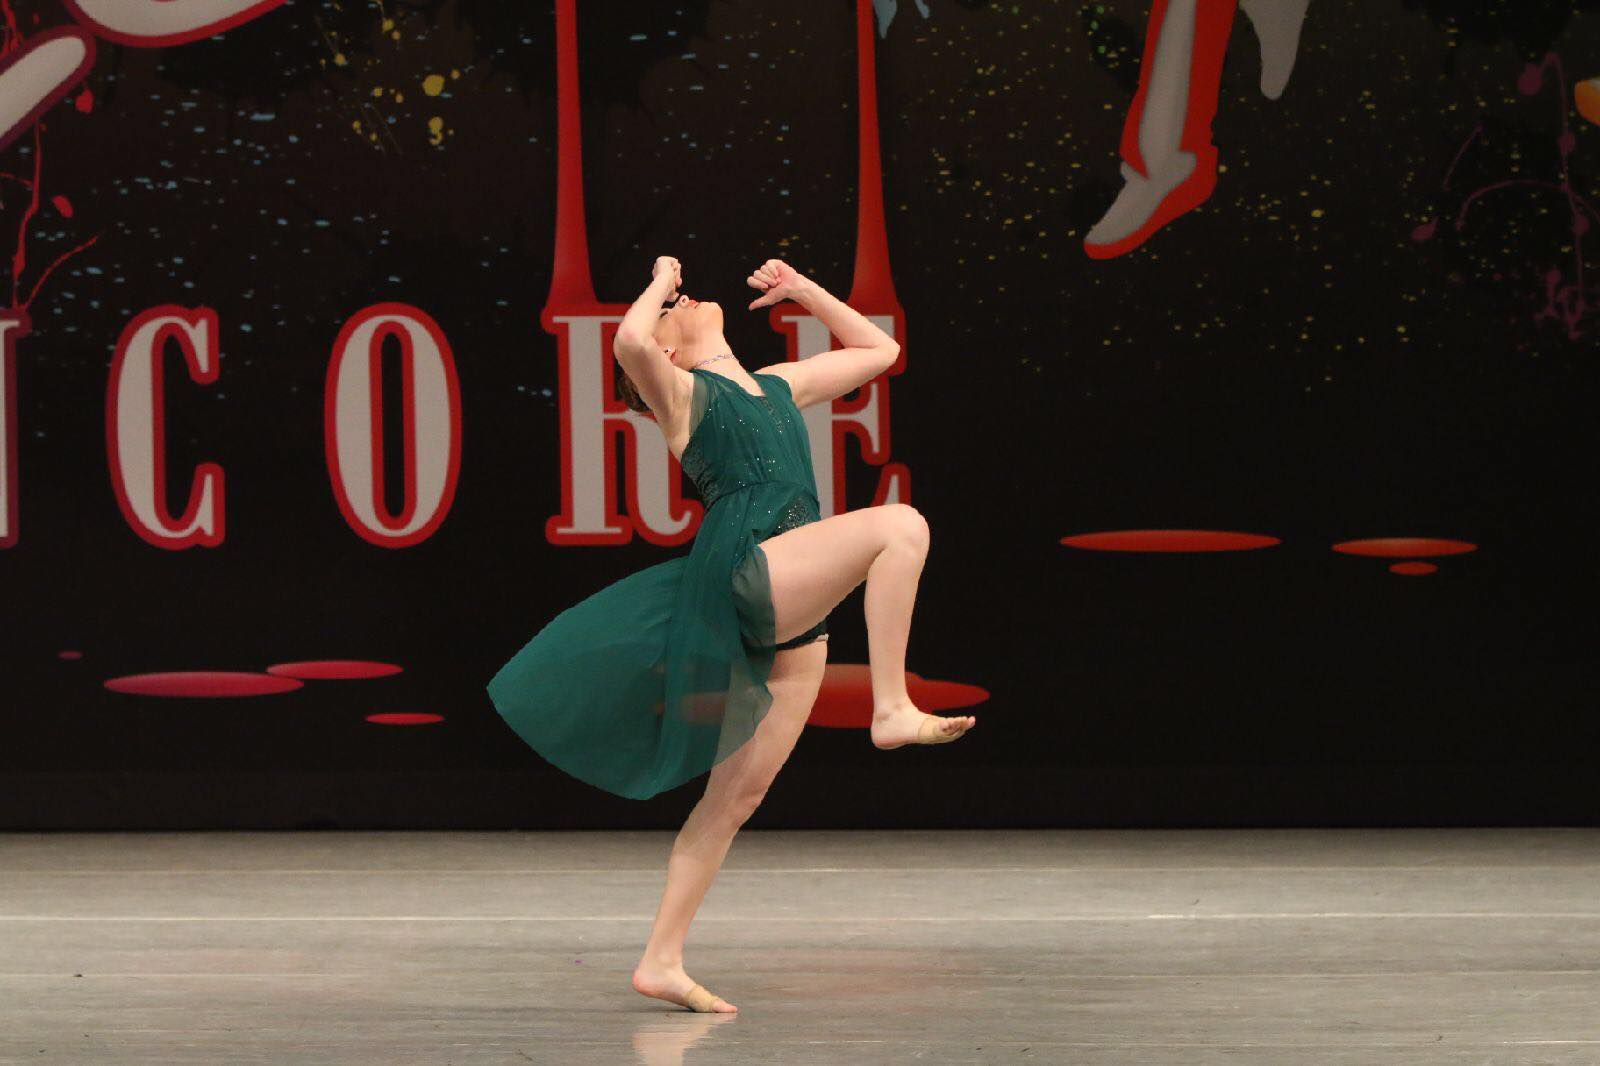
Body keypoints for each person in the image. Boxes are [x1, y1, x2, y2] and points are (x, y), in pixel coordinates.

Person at [487, 256, 976, 1013]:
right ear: (672, 350)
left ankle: (661, 960)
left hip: (792, 598)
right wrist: (655, 282)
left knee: (734, 799)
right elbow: (626, 346)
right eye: (675, 308)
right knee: (901, 526)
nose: (687, 300)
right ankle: (890, 707)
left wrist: (804, 291)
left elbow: (880, 353)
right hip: (745, 570)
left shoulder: (778, 385)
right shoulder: (683, 393)